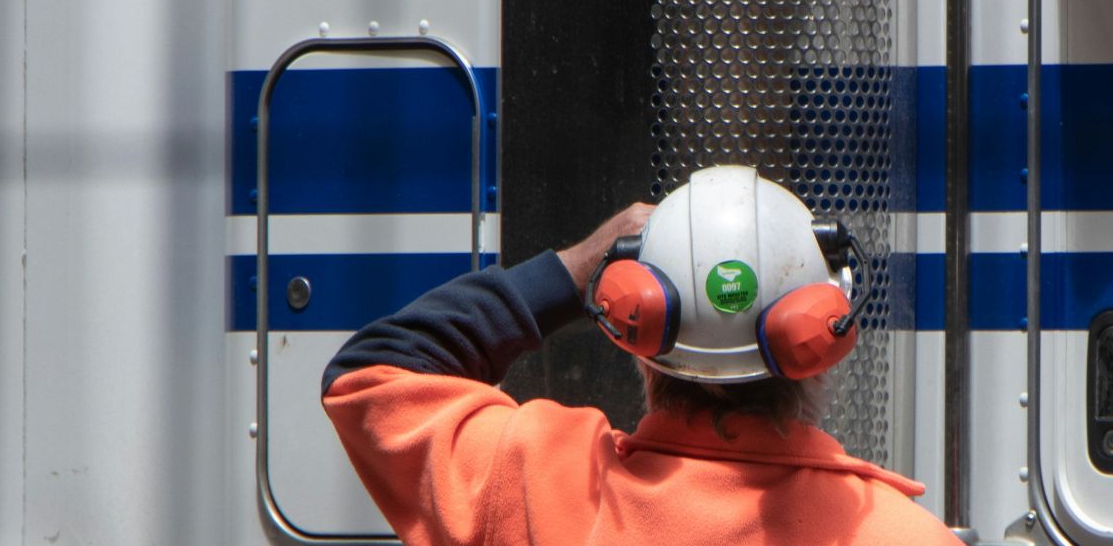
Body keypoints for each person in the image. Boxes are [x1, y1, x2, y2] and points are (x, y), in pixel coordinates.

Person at [320, 165, 956, 546]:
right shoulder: (902, 534)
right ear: (822, 334)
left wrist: (573, 270)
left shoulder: (532, 483)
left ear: (637, 323)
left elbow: (372, 373)